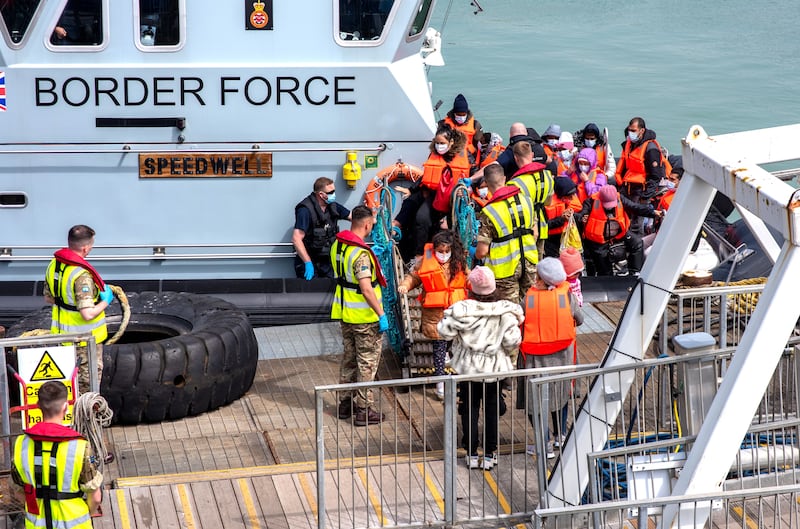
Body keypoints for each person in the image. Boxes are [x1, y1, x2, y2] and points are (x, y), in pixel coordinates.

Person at [437, 266, 524, 470]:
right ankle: (490, 454)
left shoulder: (462, 310)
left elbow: (444, 332)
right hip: (493, 369)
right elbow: (513, 341)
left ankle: (471, 453)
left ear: (472, 289)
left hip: (468, 369)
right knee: (492, 410)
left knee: (469, 409)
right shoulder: (505, 311)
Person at [12, 381, 103, 528]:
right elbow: (96, 497)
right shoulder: (81, 447)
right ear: (66, 407)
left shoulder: (20, 444)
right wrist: (89, 512)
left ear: (38, 406)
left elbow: (18, 491)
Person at [331, 205, 389, 426]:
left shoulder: (338, 245)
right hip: (365, 318)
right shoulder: (361, 254)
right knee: (367, 363)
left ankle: (345, 404)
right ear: (366, 225)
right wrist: (381, 313)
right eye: (372, 225)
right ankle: (364, 409)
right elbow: (366, 288)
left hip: (345, 313)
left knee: (349, 359)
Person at [520, 257, 583, 458]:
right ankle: (561, 435)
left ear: (540, 278)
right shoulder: (567, 295)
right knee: (561, 395)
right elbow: (580, 319)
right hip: (563, 356)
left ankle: (544, 442)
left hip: (534, 359)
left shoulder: (528, 299)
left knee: (533, 403)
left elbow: (520, 320)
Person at [398, 230, 468, 399]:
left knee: (455, 347)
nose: (443, 255)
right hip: (435, 316)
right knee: (439, 349)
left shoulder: (459, 262)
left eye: (447, 251)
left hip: (456, 314)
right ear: (434, 249)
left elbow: (469, 277)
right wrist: (405, 286)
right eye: (440, 251)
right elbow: (413, 276)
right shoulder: (425, 262)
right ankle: (440, 383)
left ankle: (457, 378)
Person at [44, 225, 113, 394]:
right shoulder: (81, 275)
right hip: (84, 342)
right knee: (87, 391)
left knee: (65, 386)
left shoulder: (54, 265)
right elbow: (87, 314)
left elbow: (48, 298)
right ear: (85, 248)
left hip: (61, 338)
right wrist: (106, 301)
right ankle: (86, 420)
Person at [475, 164, 538, 304]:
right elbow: (535, 234)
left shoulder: (489, 212)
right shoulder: (526, 200)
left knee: (510, 311)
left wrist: (475, 254)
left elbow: (482, 251)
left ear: (485, 182)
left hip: (505, 270)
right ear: (504, 178)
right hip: (529, 262)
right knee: (531, 304)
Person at [580, 185, 657, 276]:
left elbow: (635, 208)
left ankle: (634, 272)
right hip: (598, 242)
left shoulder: (620, 198)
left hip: (619, 234)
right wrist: (582, 217)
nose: (610, 207)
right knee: (605, 272)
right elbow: (581, 214)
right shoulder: (590, 202)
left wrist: (653, 213)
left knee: (637, 243)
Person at [293, 176, 351, 280]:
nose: (334, 194)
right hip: (310, 260)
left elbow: (353, 217)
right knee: (311, 293)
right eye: (331, 192)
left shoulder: (333, 206)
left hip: (327, 262)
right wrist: (307, 262)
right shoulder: (305, 210)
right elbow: (296, 238)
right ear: (321, 194)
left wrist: (371, 218)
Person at [613, 117, 671, 222]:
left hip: (641, 190)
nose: (630, 133)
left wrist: (645, 197)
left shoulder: (650, 148)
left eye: (633, 131)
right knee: (625, 216)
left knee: (637, 221)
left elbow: (655, 176)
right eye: (629, 130)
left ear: (642, 130)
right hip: (628, 187)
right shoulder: (630, 144)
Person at [507, 141, 554, 254]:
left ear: (515, 158)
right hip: (542, 226)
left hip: (525, 231)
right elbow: (548, 202)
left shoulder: (515, 183)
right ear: (532, 155)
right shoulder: (547, 175)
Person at [438, 93, 483, 166]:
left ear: (466, 113)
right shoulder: (443, 124)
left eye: (463, 114)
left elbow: (480, 143)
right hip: (449, 154)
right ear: (454, 113)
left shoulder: (475, 124)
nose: (461, 117)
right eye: (458, 114)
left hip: (469, 156)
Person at [544, 177, 583, 258]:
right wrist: (561, 219)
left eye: (573, 194)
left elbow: (577, 213)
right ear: (561, 195)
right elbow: (544, 225)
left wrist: (580, 218)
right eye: (569, 196)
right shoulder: (546, 203)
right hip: (551, 242)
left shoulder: (569, 198)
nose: (572, 198)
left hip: (567, 238)